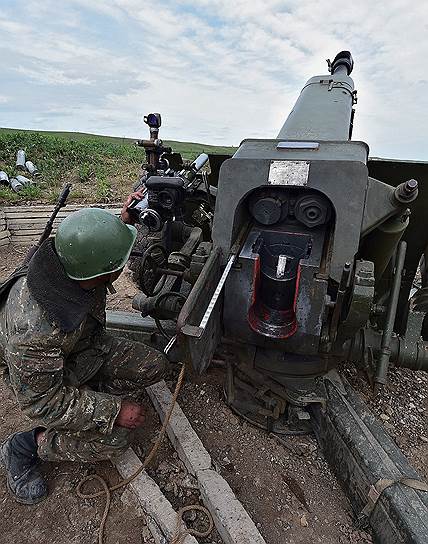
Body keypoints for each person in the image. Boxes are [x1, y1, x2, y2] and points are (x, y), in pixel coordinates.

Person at [0, 200, 167, 505]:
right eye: (119, 264)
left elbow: (95, 246)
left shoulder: (73, 260)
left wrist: (121, 223)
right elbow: (41, 403)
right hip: (44, 383)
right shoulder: (35, 334)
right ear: (100, 274)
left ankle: (88, 398)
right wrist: (112, 410)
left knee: (153, 365)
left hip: (84, 350)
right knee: (116, 440)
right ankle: (25, 446)